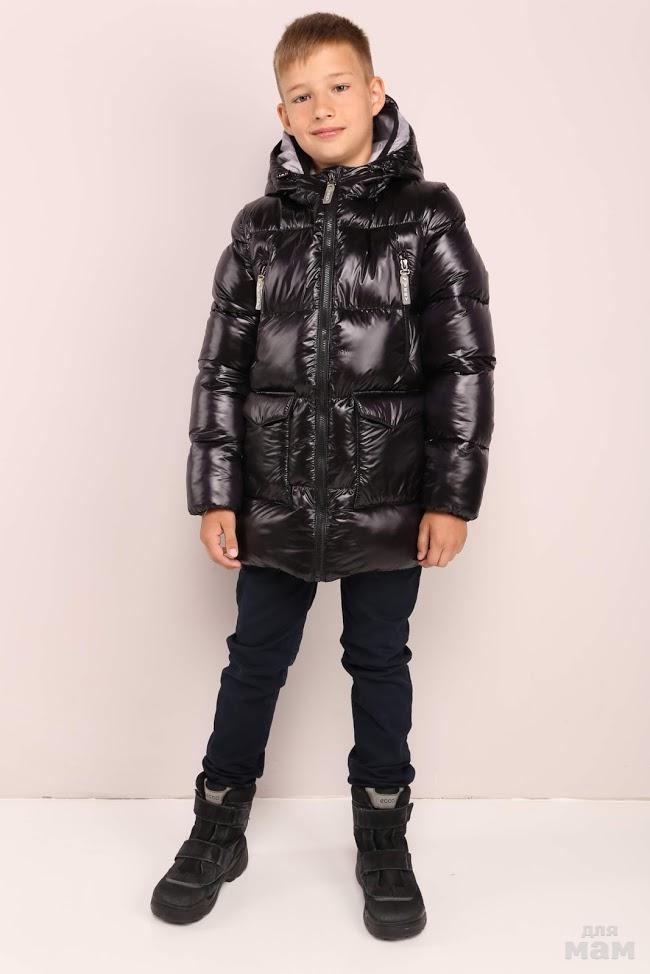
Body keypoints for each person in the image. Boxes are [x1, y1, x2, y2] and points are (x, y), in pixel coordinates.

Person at [150, 12, 496, 941]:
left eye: (339, 86)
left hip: (391, 496)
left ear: (375, 92)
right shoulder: (259, 231)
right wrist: (214, 492)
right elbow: (221, 370)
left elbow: (462, 362)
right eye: (301, 95)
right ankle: (217, 824)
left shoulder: (428, 215)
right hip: (274, 497)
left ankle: (382, 833)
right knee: (254, 660)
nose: (322, 106)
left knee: (379, 661)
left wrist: (451, 498)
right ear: (282, 114)